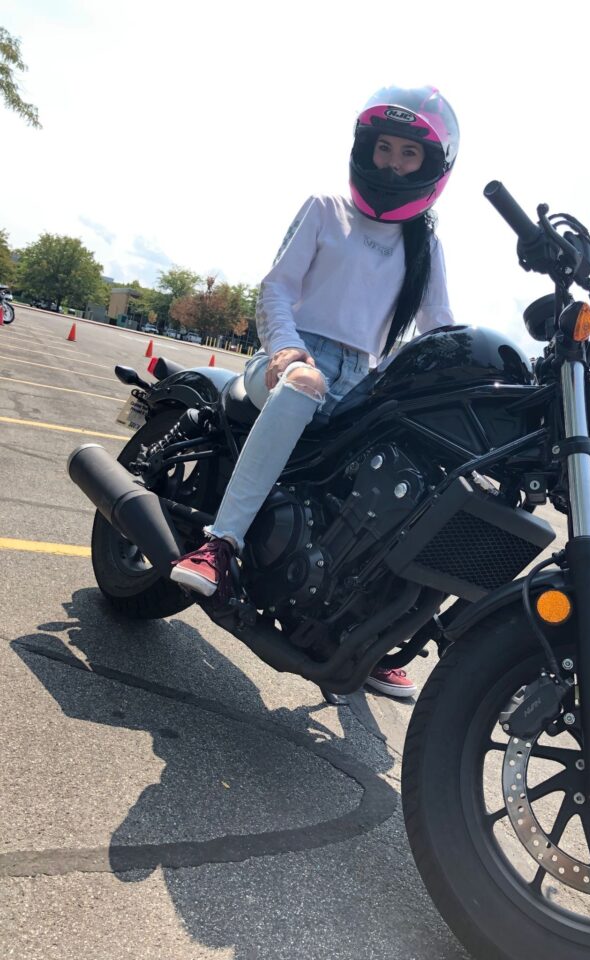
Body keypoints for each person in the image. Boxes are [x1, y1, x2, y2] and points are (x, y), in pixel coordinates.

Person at [171, 85, 460, 698]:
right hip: (292, 358)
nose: (392, 164)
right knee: (305, 383)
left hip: (362, 381)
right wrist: (286, 349)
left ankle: (365, 632)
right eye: (384, 149)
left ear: (431, 167)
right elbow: (276, 287)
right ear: (365, 149)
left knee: (404, 470)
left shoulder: (425, 246)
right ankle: (219, 546)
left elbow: (439, 331)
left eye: (409, 154)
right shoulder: (326, 209)